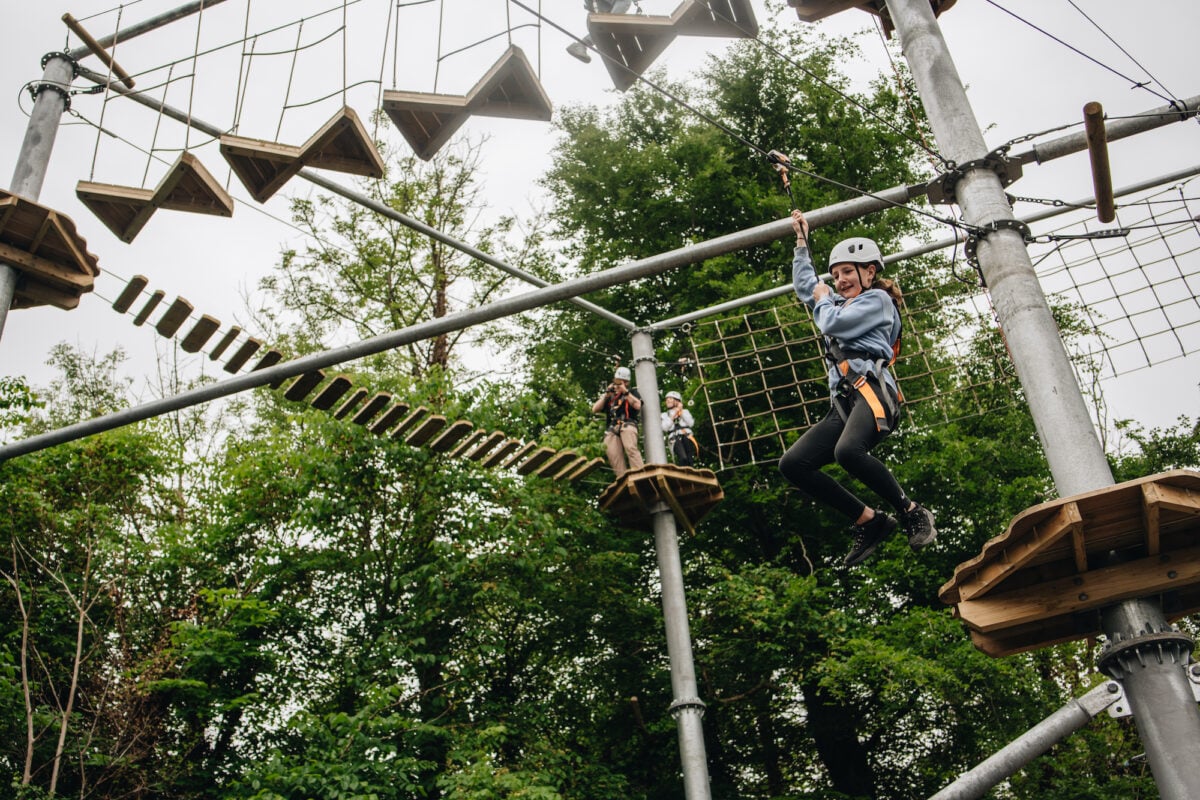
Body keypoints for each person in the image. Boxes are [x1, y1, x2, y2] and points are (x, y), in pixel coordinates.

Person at [778, 208, 937, 567]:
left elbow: (831, 320)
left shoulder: (877, 302)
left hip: (872, 392)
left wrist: (822, 299)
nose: (839, 280)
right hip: (845, 402)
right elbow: (808, 287)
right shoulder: (837, 302)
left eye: (847, 272)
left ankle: (911, 510)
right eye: (834, 276)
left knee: (847, 452)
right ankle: (870, 520)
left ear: (869, 272)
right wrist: (802, 243)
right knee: (793, 464)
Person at [592, 365, 644, 478]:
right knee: (613, 456)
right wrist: (606, 395)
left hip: (627, 424)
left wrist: (625, 392)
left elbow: (638, 405)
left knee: (630, 449)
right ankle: (623, 479)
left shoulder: (632, 392)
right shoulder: (611, 397)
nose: (617, 385)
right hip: (612, 429)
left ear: (626, 383)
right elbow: (595, 409)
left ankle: (640, 475)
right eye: (616, 382)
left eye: (620, 382)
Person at [566, 0, 633, 63]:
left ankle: (581, 45)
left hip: (601, 11)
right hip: (598, 12)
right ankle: (581, 44)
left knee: (609, 26)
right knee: (624, 2)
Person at [661, 390, 697, 467]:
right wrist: (674, 414)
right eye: (667, 399)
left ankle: (690, 473)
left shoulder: (685, 412)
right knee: (683, 458)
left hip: (686, 436)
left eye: (670, 399)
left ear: (677, 401)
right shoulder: (664, 415)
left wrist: (681, 411)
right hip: (674, 439)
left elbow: (691, 423)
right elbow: (664, 427)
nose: (667, 400)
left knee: (689, 459)